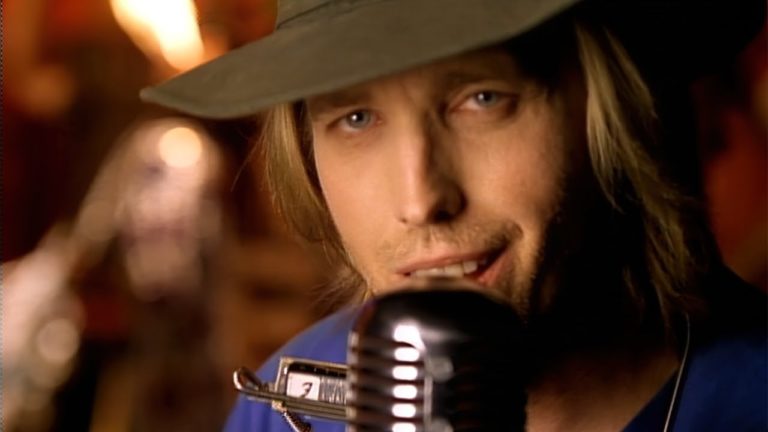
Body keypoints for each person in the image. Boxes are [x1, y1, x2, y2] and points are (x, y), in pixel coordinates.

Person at [141, 0, 767, 430]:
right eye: (356, 118)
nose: (422, 200)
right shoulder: (281, 410)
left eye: (483, 99)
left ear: (612, 112)